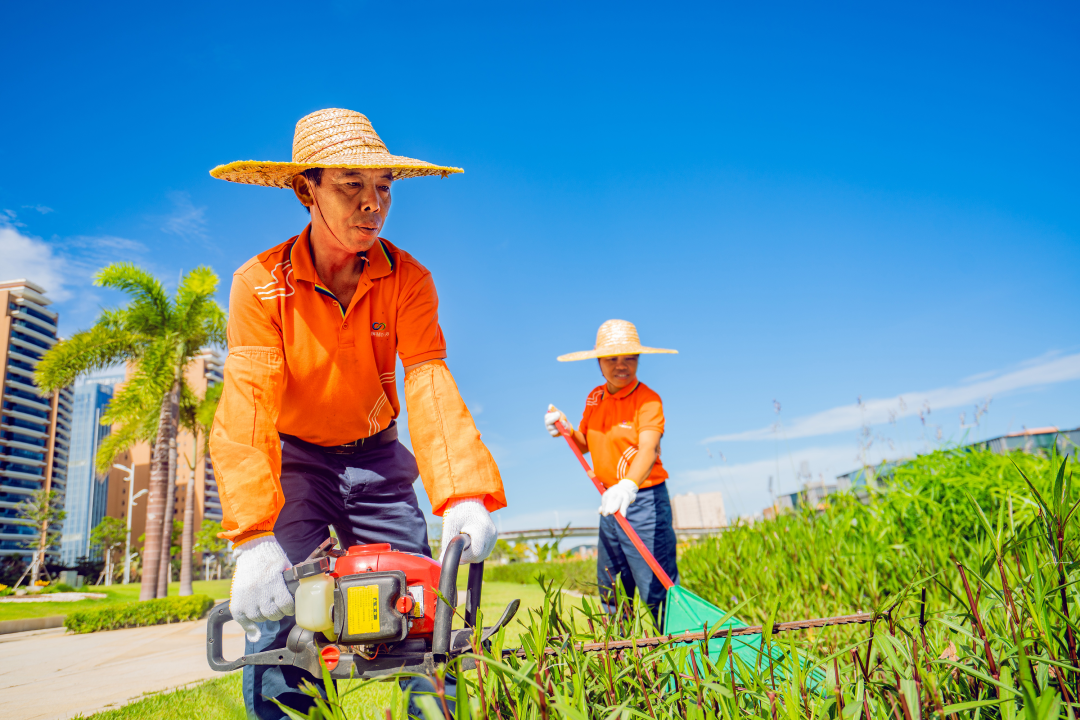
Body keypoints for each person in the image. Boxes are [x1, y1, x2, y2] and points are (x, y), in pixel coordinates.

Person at [208, 108, 506, 718]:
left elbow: (427, 377)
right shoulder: (259, 283)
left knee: (422, 605)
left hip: (377, 457)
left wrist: (462, 494)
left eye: (384, 187)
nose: (373, 203)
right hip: (297, 461)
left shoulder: (408, 279)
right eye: (351, 184)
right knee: (283, 612)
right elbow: (248, 405)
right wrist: (254, 536)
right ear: (306, 189)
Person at [544, 319, 678, 622]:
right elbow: (585, 442)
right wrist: (564, 428)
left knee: (656, 589)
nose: (621, 365)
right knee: (612, 587)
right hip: (609, 502)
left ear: (639, 359)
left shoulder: (648, 400)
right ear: (598, 362)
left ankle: (677, 648)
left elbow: (648, 448)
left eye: (629, 357)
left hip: (643, 501)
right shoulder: (595, 397)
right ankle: (620, 649)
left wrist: (628, 485)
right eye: (611, 358)